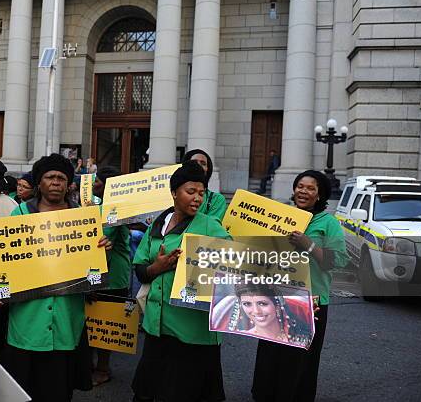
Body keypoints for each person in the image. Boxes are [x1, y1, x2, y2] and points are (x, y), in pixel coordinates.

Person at [6, 153, 112, 402]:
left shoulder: (83, 218)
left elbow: (94, 276)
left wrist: (101, 253)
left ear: (68, 184)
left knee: (58, 392)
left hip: (66, 322)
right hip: (27, 322)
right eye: (49, 177)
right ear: (39, 183)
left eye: (61, 178)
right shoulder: (19, 215)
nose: (56, 182)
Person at [132, 161, 232, 402]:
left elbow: (236, 268)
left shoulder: (210, 226)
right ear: (174, 192)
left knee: (185, 391)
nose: (197, 198)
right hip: (158, 327)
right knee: (148, 389)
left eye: (201, 193)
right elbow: (140, 269)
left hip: (192, 332)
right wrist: (158, 267)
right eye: (190, 192)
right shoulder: (158, 224)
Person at [251, 170, 347, 402]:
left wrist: (309, 245)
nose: (303, 191)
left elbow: (339, 261)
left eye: (310, 188)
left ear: (319, 195)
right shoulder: (281, 216)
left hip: (310, 303)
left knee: (299, 361)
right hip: (275, 298)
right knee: (270, 354)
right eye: (300, 186)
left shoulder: (328, 223)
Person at [90, 166, 131, 386]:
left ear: (108, 186)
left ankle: (103, 369)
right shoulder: (101, 206)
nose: (94, 184)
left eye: (97, 180)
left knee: (106, 325)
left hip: (112, 277)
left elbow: (98, 242)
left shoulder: (113, 209)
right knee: (94, 322)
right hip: (101, 276)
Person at [210, 283, 312, 348]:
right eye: (247, 304)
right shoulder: (244, 335)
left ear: (277, 305)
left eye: (262, 303)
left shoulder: (301, 332)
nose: (256, 311)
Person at [182, 149, 227, 221]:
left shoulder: (216, 200)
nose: (199, 166)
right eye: (194, 162)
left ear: (208, 169)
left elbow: (211, 227)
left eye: (203, 163)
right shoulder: (173, 193)